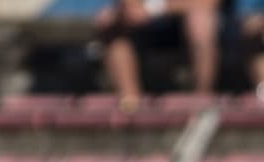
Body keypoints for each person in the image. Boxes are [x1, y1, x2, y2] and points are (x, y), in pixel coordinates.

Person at [94, 0, 223, 112]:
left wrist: (154, 8)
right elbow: (131, 9)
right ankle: (131, 107)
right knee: (109, 22)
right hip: (144, 29)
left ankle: (201, 103)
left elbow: (208, 2)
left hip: (188, 28)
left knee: (201, 23)